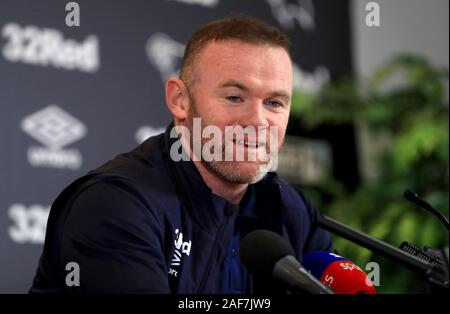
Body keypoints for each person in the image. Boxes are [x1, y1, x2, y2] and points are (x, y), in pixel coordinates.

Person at [30, 14, 333, 294]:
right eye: (234, 97)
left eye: (274, 103)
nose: (257, 121)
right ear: (180, 100)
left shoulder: (292, 211)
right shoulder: (114, 205)